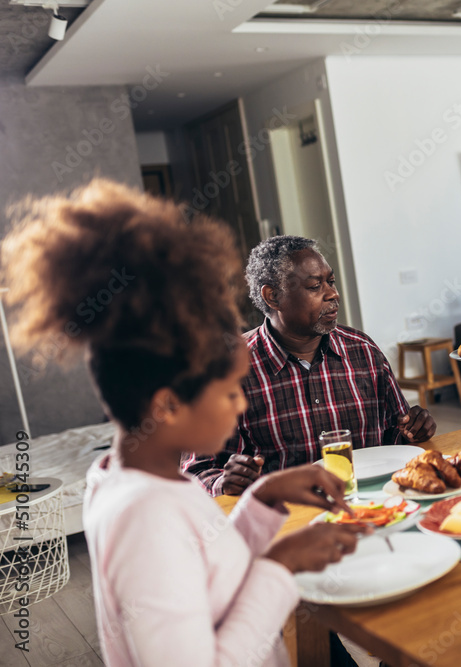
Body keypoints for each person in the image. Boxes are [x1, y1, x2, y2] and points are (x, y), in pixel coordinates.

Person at [0, 180, 367, 666]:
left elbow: (205, 568)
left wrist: (262, 500)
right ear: (168, 406)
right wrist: (280, 568)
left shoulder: (137, 477)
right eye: (230, 391)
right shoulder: (143, 517)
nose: (241, 405)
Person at [182, 235, 436, 496]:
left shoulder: (364, 351)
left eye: (331, 281)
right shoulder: (228, 370)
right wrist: (224, 482)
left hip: (374, 506)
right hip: (287, 522)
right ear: (273, 297)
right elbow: (198, 471)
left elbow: (396, 436)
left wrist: (414, 431)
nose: (333, 294)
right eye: (315, 286)